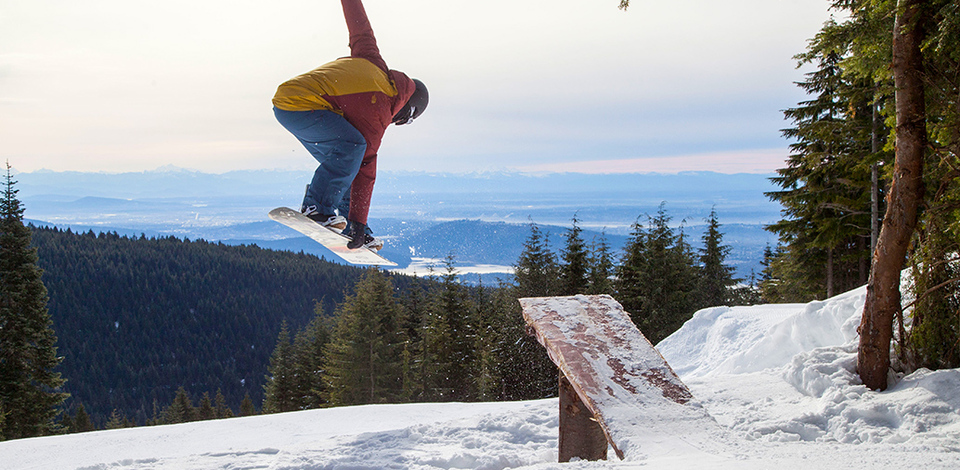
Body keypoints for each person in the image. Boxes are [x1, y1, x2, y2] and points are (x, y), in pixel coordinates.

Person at [272, 0, 428, 250]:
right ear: (408, 108)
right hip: (302, 106)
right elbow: (366, 172)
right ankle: (317, 209)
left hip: (290, 105)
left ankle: (350, 225)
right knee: (354, 149)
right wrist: (358, 220)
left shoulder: (373, 60)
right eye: (402, 119)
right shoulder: (379, 110)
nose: (395, 122)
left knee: (348, 158)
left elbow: (360, 26)